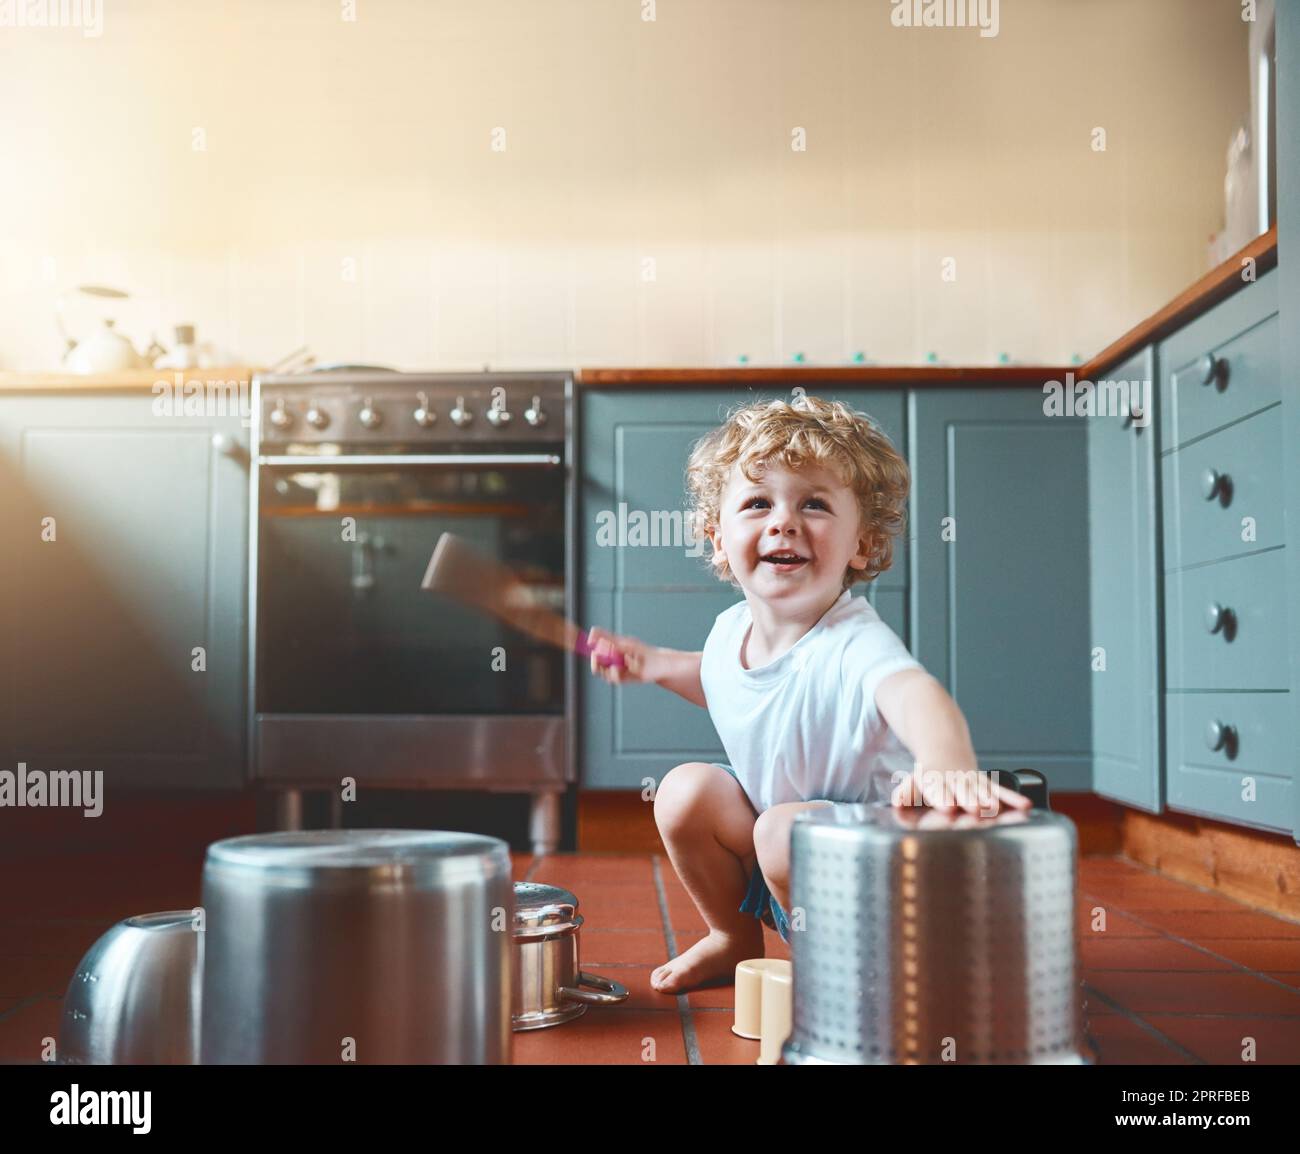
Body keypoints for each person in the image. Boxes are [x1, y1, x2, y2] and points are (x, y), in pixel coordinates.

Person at [587, 394, 1031, 994]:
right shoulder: (730, 631)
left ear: (863, 546)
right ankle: (733, 939)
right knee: (685, 792)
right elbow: (724, 680)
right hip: (791, 875)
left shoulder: (854, 639)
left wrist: (946, 764)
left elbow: (913, 693)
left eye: (814, 504)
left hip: (893, 887)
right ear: (718, 539)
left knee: (780, 830)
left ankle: (853, 985)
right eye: (758, 502)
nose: (783, 521)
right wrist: (657, 664)